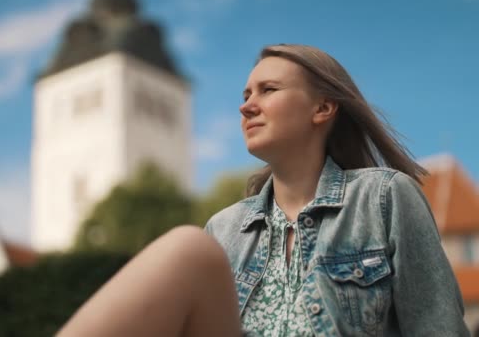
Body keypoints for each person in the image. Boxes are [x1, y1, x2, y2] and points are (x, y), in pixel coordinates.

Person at [56, 44, 470, 336]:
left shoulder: (384, 198)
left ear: (322, 109)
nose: (246, 105)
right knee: (188, 249)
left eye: (268, 90)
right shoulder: (223, 230)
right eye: (246, 94)